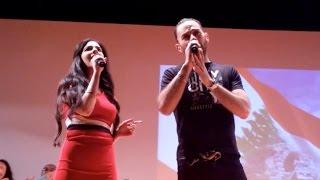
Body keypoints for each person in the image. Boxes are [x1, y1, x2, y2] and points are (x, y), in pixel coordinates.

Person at [158, 18, 251, 180]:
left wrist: (209, 81)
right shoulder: (171, 74)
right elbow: (164, 108)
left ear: (206, 37)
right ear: (179, 47)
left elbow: (244, 110)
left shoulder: (228, 72)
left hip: (228, 163)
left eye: (196, 33)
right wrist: (187, 68)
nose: (193, 38)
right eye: (186, 36)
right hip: (191, 164)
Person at [53, 38, 142, 180]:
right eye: (88, 49)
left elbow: (98, 135)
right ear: (79, 58)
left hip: (104, 162)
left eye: (98, 49)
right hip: (74, 159)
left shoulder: (108, 95)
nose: (94, 50)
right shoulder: (69, 87)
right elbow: (86, 109)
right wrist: (96, 73)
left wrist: (117, 134)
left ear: (104, 60)